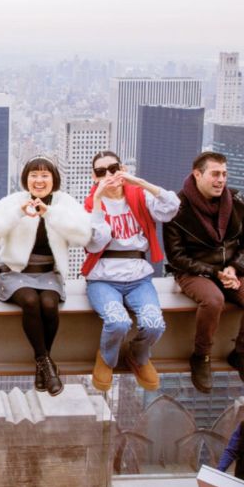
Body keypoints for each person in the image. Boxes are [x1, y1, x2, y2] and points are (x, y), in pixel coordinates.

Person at [0, 155, 92, 396]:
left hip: (49, 272)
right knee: (30, 301)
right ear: (25, 179)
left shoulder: (63, 202)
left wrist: (49, 213)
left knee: (49, 304)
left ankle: (43, 366)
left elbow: (84, 233)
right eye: (33, 175)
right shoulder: (16, 201)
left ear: (54, 179)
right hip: (16, 272)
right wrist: (16, 214)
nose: (39, 180)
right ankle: (46, 365)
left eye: (44, 175)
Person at [164, 152, 244, 393]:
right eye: (215, 174)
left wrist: (234, 268)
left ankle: (241, 354)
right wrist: (214, 272)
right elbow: (177, 257)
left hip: (231, 269)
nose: (221, 180)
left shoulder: (236, 200)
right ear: (197, 174)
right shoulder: (177, 208)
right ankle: (201, 357)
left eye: (224, 174)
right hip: (192, 271)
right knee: (213, 300)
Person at [82, 151, 179, 392]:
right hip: (102, 279)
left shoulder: (140, 196)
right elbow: (95, 243)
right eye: (101, 172)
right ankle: (107, 358)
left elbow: (171, 207)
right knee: (117, 322)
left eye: (113, 169)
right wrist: (97, 202)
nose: (109, 175)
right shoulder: (89, 205)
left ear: (122, 168)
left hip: (139, 278)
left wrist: (138, 182)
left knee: (154, 323)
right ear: (94, 177)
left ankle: (139, 355)